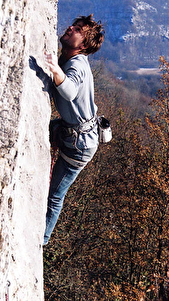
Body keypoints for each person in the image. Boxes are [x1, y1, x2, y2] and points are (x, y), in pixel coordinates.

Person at [43, 14, 104, 245]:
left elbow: (69, 91)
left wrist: (54, 69)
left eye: (78, 29)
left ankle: (43, 240)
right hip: (76, 131)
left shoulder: (76, 64)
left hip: (80, 145)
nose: (71, 28)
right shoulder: (69, 58)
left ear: (84, 45)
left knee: (55, 196)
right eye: (74, 25)